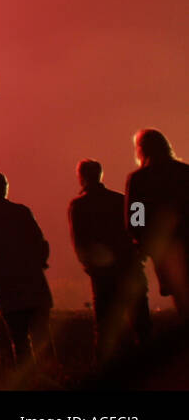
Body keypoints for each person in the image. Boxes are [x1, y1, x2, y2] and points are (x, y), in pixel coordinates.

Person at [70, 158, 151, 361]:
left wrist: (88, 265)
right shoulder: (121, 199)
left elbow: (79, 240)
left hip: (102, 273)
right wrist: (139, 247)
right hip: (128, 266)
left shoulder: (79, 205)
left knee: (105, 325)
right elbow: (138, 217)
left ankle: (108, 368)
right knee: (140, 320)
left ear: (81, 178)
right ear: (100, 174)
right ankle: (149, 363)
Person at [0, 171, 52, 365]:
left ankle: (27, 380)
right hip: (33, 283)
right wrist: (40, 263)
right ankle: (52, 377)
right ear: (6, 187)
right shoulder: (22, 212)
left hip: (6, 288)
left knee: (19, 340)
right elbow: (41, 243)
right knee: (43, 338)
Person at [124, 129, 189, 318]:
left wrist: (140, 240)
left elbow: (136, 216)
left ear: (142, 150)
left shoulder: (139, 178)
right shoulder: (185, 172)